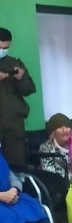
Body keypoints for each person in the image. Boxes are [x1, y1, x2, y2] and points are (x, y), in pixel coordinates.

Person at [0, 27, 37, 168]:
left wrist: (20, 79)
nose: (2, 50)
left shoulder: (13, 63)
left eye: (6, 47)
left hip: (13, 126)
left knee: (16, 167)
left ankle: (16, 190)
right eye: (0, 47)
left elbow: (29, 90)